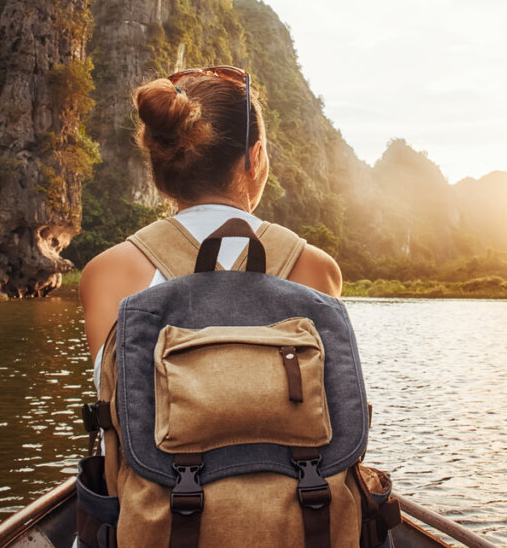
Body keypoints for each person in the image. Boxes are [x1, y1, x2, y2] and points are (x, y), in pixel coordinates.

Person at [79, 66, 342, 363]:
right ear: (255, 159)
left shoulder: (107, 272)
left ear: (158, 168)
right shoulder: (314, 269)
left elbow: (113, 401)